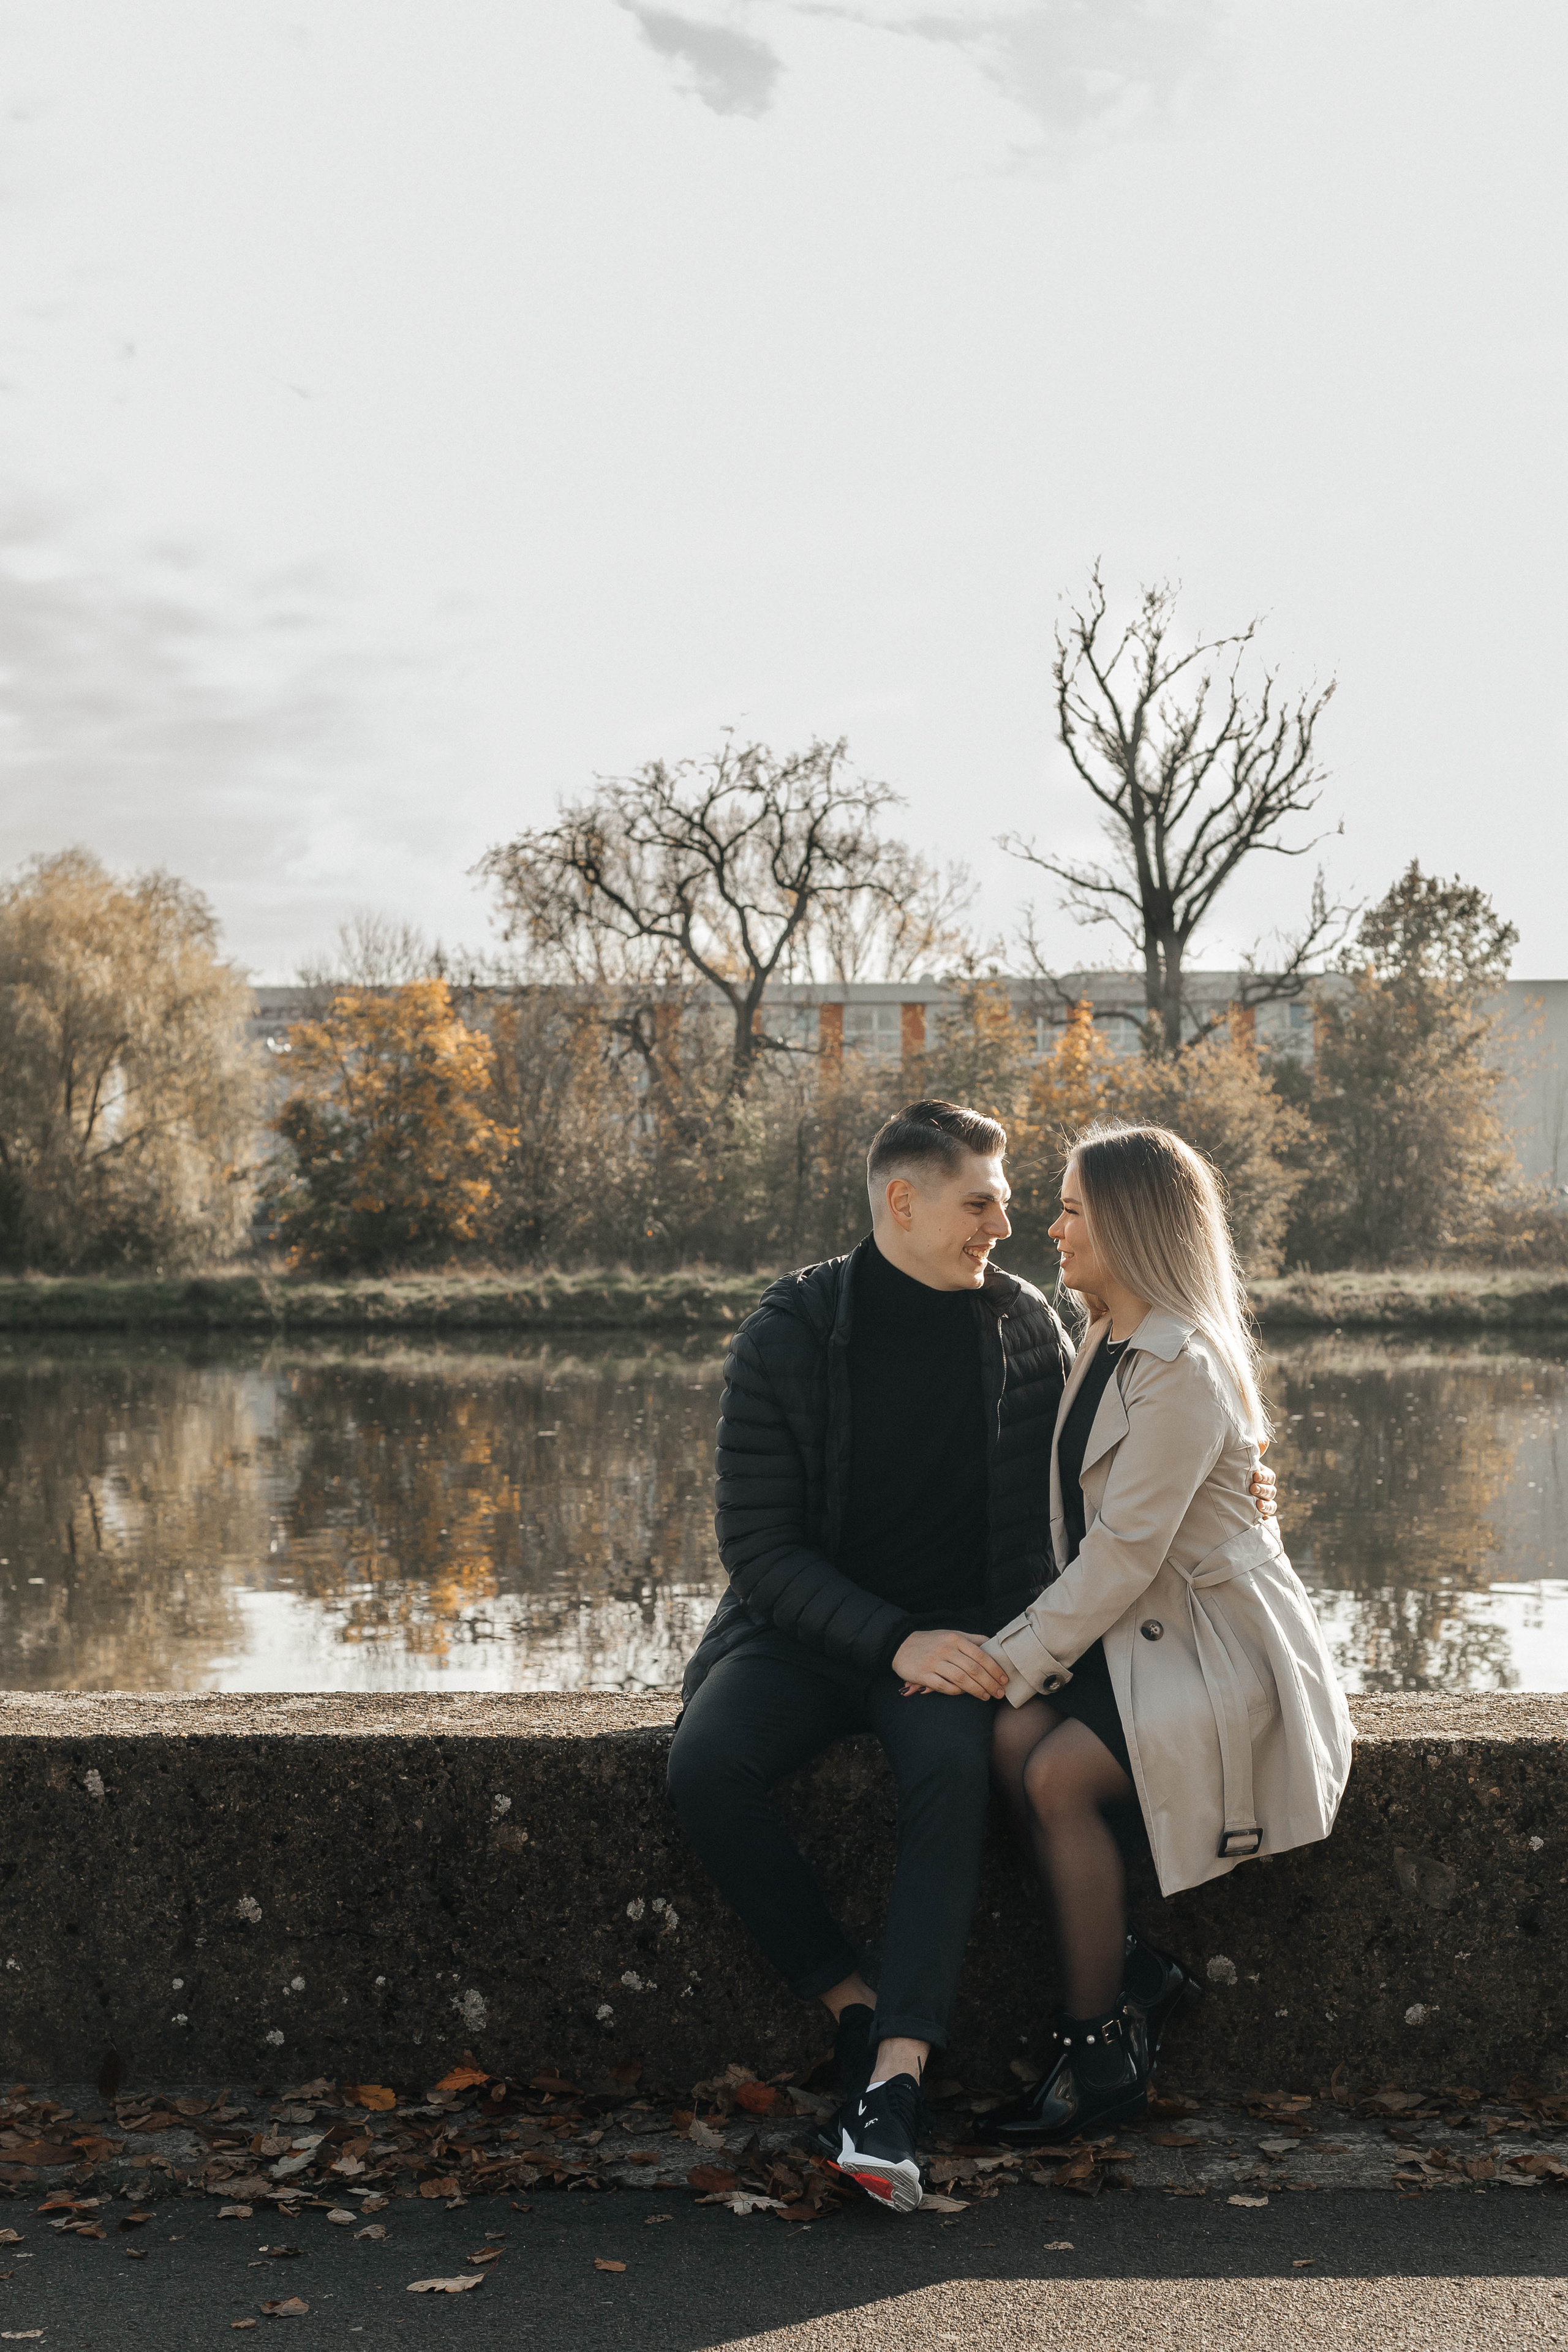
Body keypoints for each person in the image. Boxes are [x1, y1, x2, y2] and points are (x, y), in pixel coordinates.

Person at [668, 1099, 1275, 2212]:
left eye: (1022, 1199)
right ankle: (854, 2004)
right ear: (904, 1201)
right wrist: (894, 1637)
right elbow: (758, 1548)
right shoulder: (792, 1330)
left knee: (954, 1771)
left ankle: (895, 2080)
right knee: (704, 1768)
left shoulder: (1029, 1322)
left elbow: (1120, 1479)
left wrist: (1241, 1484)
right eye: (983, 1200)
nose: (1009, 1221)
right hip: (806, 1631)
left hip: (971, 1642)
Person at [982, 1122, 1354, 2147]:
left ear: (1132, 1223)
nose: (1051, 1226)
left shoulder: (1182, 1363)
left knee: (1054, 1772)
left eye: (1071, 1208)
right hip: (1145, 1633)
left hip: (1220, 1647)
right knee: (1010, 1742)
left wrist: (1004, 1658)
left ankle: (1099, 2049)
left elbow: (1126, 1555)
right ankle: (1136, 1969)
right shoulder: (1106, 1332)